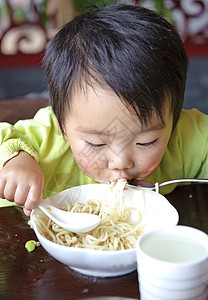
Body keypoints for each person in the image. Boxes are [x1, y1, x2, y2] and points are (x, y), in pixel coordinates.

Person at [0, 2, 207, 216]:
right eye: (96, 143)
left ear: (173, 121)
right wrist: (16, 162)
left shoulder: (184, 138)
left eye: (145, 142)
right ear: (62, 126)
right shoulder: (48, 141)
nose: (120, 161)